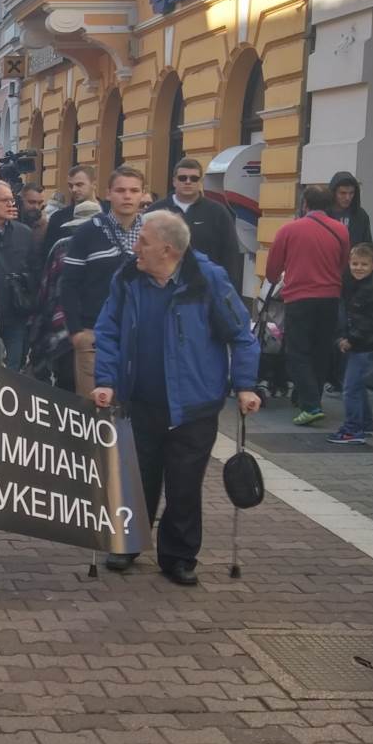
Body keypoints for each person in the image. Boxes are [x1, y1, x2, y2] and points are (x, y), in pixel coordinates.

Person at [92, 210, 262, 585]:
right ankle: (127, 543)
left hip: (194, 404)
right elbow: (107, 331)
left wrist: (246, 385)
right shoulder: (128, 278)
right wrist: (105, 379)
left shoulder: (208, 280)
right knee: (138, 477)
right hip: (141, 399)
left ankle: (180, 556)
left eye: (144, 242)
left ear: (167, 250)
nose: (135, 247)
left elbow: (242, 335)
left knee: (184, 484)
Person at [265, 185, 350, 425]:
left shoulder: (289, 230)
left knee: (297, 351)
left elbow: (273, 269)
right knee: (321, 350)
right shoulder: (341, 230)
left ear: (305, 205)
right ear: (329, 205)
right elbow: (343, 263)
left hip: (299, 298)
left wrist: (275, 279)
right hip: (330, 297)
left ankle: (311, 404)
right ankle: (311, 398)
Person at [62, 166, 147, 398]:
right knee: (95, 412)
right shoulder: (88, 232)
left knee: (134, 411)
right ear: (108, 193)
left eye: (134, 190)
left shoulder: (151, 233)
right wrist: (76, 331)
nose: (127, 196)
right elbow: (68, 283)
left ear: (142, 194)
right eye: (120, 190)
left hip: (141, 335)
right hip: (94, 333)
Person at [28, 200, 103, 391]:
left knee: (69, 388)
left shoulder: (62, 247)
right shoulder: (62, 247)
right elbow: (48, 288)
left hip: (70, 328)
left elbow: (46, 292)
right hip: (80, 329)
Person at [150, 157, 243, 291]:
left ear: (201, 182)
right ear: (174, 181)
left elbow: (231, 254)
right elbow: (145, 249)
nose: (188, 182)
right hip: (164, 289)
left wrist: (227, 290)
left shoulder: (217, 212)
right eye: (183, 178)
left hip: (206, 290)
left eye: (194, 178)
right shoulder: (157, 211)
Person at [331, 243, 373, 445]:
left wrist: (351, 339)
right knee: (358, 386)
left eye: (364, 264)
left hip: (366, 346)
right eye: (355, 263)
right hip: (364, 344)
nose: (358, 268)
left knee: (351, 388)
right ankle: (365, 424)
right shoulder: (358, 286)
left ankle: (352, 429)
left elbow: (370, 321)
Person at [0, 181, 39, 370]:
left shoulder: (24, 233)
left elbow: (36, 269)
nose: (11, 204)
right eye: (4, 200)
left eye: (12, 200)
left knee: (11, 372)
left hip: (15, 316)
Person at [41, 165, 98, 259]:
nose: (74, 190)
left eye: (79, 185)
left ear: (94, 184)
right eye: (70, 186)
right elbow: (48, 254)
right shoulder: (58, 218)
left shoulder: (109, 212)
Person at [327, 171, 373, 246]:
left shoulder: (361, 216)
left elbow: (367, 247)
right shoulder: (323, 214)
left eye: (351, 193)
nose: (347, 198)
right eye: (343, 193)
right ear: (333, 193)